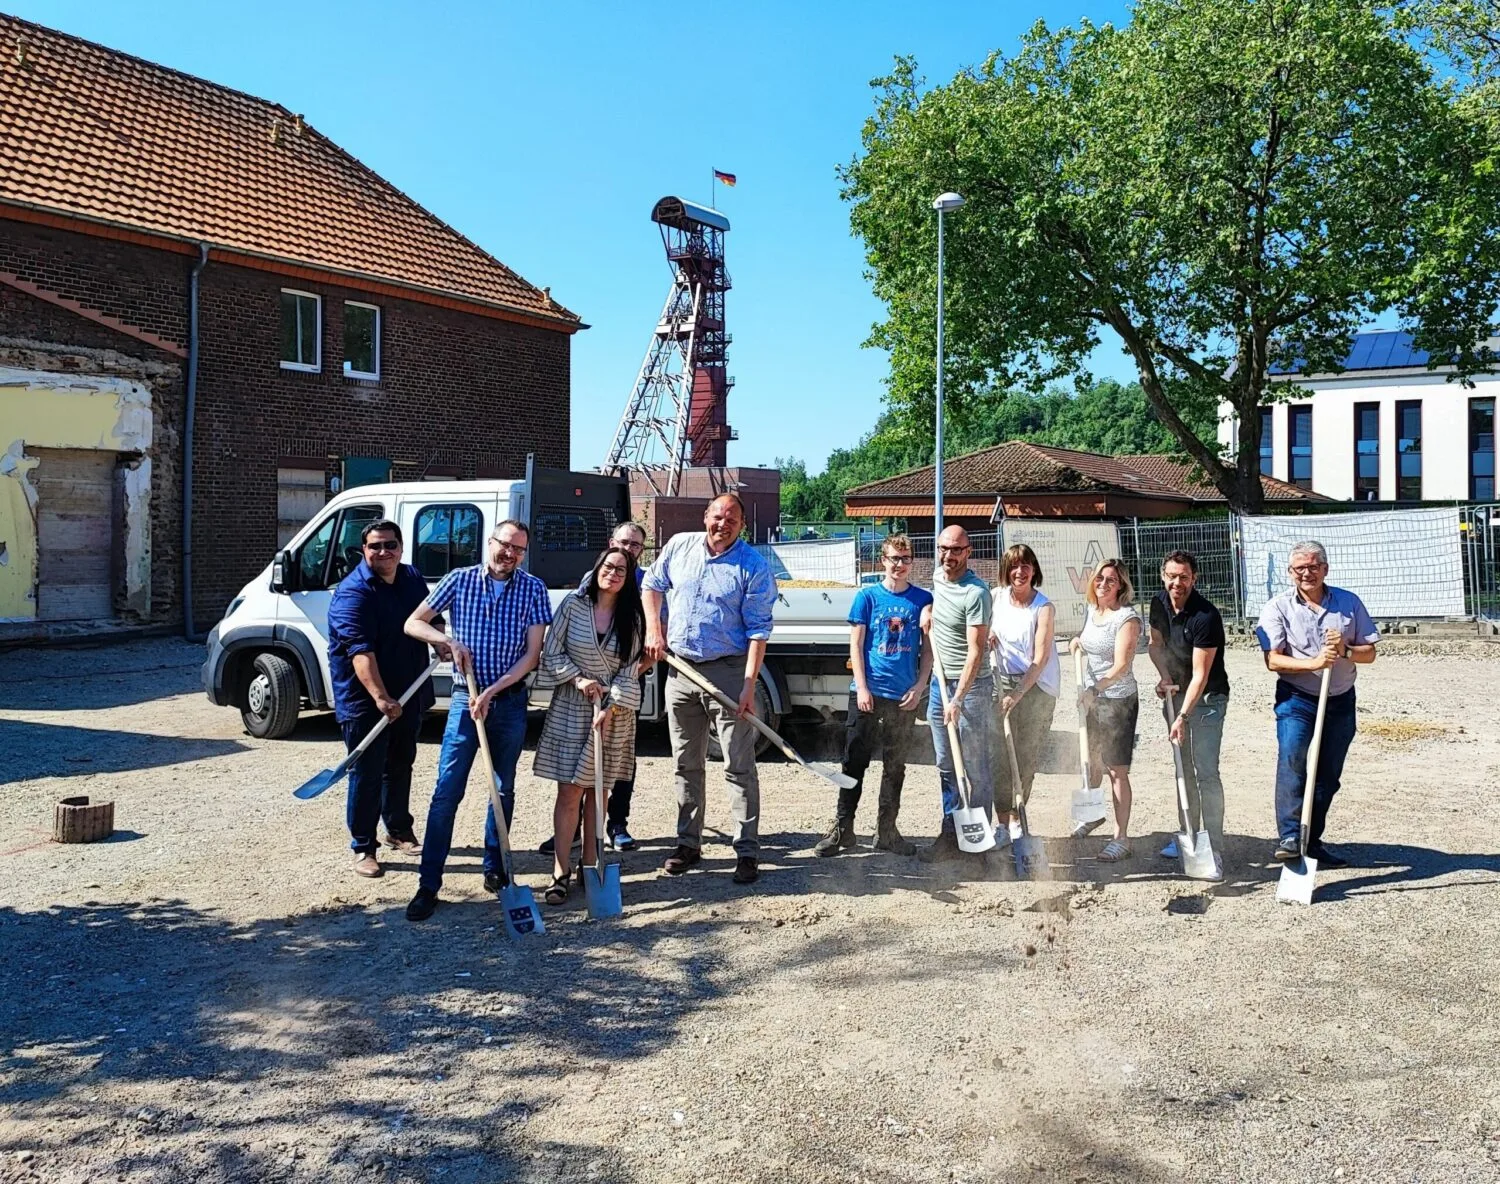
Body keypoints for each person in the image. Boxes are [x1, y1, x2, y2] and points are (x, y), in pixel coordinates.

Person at [401, 519, 552, 922]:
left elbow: (532, 655)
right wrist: (445, 641)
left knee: (502, 789)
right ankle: (428, 884)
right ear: (491, 543)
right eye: (505, 545)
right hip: (464, 705)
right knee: (446, 791)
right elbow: (412, 622)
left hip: (508, 702)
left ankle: (496, 869)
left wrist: (492, 691)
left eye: (518, 549)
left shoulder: (533, 589)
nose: (510, 554)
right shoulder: (459, 580)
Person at [642, 494, 777, 885]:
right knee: (686, 763)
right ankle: (688, 843)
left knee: (738, 765)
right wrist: (655, 628)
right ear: (706, 517)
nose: (723, 524)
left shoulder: (752, 566)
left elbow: (757, 632)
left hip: (729, 673)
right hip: (681, 671)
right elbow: (652, 584)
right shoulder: (680, 546)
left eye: (732, 518)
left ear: (742, 524)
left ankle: (747, 850)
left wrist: (749, 686)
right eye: (717, 516)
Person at [532, 546, 646, 905]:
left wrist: (611, 707)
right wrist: (578, 680)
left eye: (621, 571)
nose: (612, 574)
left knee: (599, 793)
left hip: (611, 715)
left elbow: (630, 671)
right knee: (569, 792)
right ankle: (559, 871)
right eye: (608, 566)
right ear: (597, 568)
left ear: (628, 579)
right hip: (572, 706)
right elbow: (551, 652)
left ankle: (591, 865)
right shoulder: (572, 605)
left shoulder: (633, 617)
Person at [1255, 541, 1378, 868]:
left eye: (1313, 567)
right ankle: (1290, 838)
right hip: (1296, 698)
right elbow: (1272, 660)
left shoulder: (1348, 604)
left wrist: (1346, 652)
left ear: (1325, 569)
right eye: (1300, 568)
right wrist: (1314, 662)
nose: (1306, 573)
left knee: (1328, 774)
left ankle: (1312, 840)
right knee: (1293, 759)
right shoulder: (1277, 607)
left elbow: (1371, 652)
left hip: (1340, 699)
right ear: (1290, 572)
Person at [325, 519, 435, 878]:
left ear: (401, 548)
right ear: (364, 550)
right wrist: (381, 698)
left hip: (409, 690)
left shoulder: (411, 578)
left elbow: (428, 618)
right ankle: (362, 846)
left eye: (390, 545)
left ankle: (398, 830)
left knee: (401, 763)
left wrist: (440, 640)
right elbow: (360, 653)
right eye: (375, 546)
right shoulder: (352, 593)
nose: (383, 552)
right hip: (366, 700)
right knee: (368, 772)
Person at [813, 534, 932, 858]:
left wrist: (920, 686)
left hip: (903, 697)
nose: (900, 564)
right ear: (883, 560)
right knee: (853, 762)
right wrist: (862, 687)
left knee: (895, 766)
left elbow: (928, 651)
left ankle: (887, 831)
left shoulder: (922, 600)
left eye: (905, 559)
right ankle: (843, 829)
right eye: (894, 558)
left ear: (912, 562)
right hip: (867, 694)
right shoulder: (866, 598)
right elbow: (855, 645)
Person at [917, 525, 999, 866]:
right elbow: (935, 602)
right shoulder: (938, 577)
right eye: (943, 548)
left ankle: (979, 843)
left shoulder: (976, 593)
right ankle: (951, 836)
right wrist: (928, 611)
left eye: (956, 550)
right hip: (939, 684)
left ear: (968, 552)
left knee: (975, 766)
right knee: (946, 764)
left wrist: (958, 698)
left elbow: (975, 652)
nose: (949, 556)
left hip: (972, 689)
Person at [1146, 550, 1231, 866]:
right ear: (1163, 576)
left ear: (1194, 578)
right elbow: (1155, 645)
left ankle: (1214, 846)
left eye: (1183, 576)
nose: (1176, 582)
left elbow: (1200, 675)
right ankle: (1189, 832)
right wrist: (1164, 675)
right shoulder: (1158, 603)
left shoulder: (1205, 616)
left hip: (1207, 701)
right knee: (1182, 769)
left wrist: (1182, 716)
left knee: (1205, 771)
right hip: (1176, 695)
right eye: (1171, 575)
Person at [1068, 559, 1141, 862]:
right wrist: (1077, 642)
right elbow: (1088, 641)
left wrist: (1096, 690)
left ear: (1121, 585)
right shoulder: (1092, 611)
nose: (1104, 584)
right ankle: (1092, 815)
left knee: (1116, 769)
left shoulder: (1127, 618)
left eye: (1111, 580)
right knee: (1092, 762)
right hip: (1092, 699)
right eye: (1100, 578)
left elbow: (1122, 666)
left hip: (1117, 701)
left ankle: (1121, 837)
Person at [989, 543, 1059, 842]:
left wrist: (1017, 694)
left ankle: (1018, 819)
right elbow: (982, 630)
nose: (1020, 571)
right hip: (999, 680)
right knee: (1000, 756)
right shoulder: (995, 598)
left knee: (1026, 756)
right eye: (1014, 566)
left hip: (1037, 686)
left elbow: (1040, 658)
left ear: (1034, 570)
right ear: (1007, 570)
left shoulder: (1043, 607)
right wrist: (988, 634)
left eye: (1026, 565)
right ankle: (1002, 824)